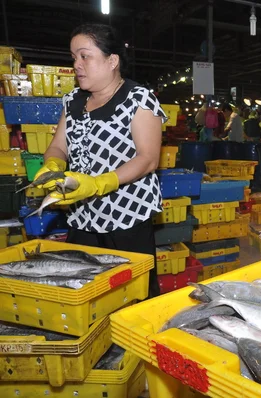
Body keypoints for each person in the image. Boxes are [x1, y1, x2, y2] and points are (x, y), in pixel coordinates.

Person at [34, 23, 166, 297]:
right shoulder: (72, 100)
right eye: (73, 57)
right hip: (81, 217)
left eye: (85, 56)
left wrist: (99, 184)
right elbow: (58, 146)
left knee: (134, 293)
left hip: (126, 218)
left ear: (112, 61)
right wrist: (53, 165)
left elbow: (148, 158)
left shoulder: (138, 99)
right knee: (85, 291)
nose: (76, 64)